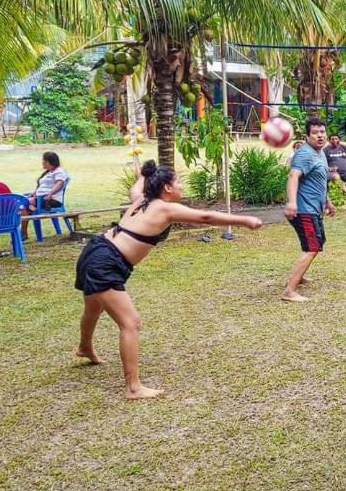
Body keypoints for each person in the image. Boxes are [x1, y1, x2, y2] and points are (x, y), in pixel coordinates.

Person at [74, 160, 262, 399]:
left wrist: (142, 175)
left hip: (95, 250)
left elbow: (137, 186)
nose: (181, 186)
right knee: (130, 322)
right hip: (106, 261)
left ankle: (85, 348)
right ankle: (133, 387)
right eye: (178, 182)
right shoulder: (163, 208)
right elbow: (204, 217)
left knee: (93, 308)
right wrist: (244, 221)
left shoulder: (141, 199)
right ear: (167, 188)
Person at [283, 117, 336, 303]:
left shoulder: (319, 153)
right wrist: (291, 203)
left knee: (315, 242)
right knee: (312, 247)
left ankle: (299, 275)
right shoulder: (304, 154)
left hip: (313, 208)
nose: (320, 136)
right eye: (315, 133)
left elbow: (319, 181)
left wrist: (328, 202)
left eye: (322, 132)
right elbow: (292, 176)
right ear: (307, 136)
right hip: (303, 209)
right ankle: (289, 291)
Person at [21, 151, 69, 239]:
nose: (42, 163)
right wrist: (35, 192)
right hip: (39, 199)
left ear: (49, 162)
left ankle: (23, 233)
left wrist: (50, 193)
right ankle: (33, 209)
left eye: (44, 161)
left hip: (51, 200)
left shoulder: (59, 172)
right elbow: (43, 186)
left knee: (22, 204)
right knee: (23, 202)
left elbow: (59, 183)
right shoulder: (48, 172)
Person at [324, 132, 346, 199]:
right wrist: (329, 168)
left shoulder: (344, 147)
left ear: (339, 140)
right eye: (332, 139)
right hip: (333, 172)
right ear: (329, 141)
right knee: (336, 177)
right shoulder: (325, 150)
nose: (334, 140)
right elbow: (322, 163)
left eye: (336, 139)